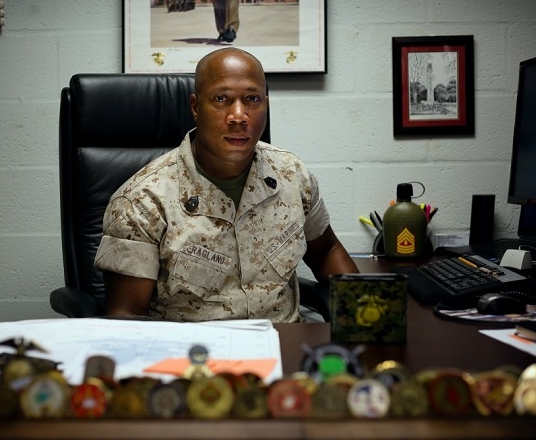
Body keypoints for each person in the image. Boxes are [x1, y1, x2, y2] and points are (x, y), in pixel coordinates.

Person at [94, 47, 359, 323]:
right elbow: (127, 316)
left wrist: (366, 313)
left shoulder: (292, 175)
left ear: (265, 104)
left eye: (252, 99)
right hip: (194, 358)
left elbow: (327, 251)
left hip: (282, 347)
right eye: (222, 99)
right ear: (196, 107)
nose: (239, 115)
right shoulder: (143, 202)